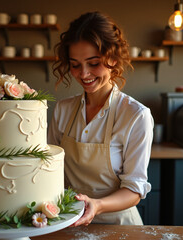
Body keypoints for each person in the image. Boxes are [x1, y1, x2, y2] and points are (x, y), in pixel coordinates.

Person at [48, 11, 153, 226]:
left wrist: (97, 205)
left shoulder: (135, 115)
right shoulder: (62, 110)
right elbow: (48, 168)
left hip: (119, 226)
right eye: (75, 65)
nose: (84, 74)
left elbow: (134, 189)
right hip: (69, 222)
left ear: (113, 58)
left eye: (94, 63)